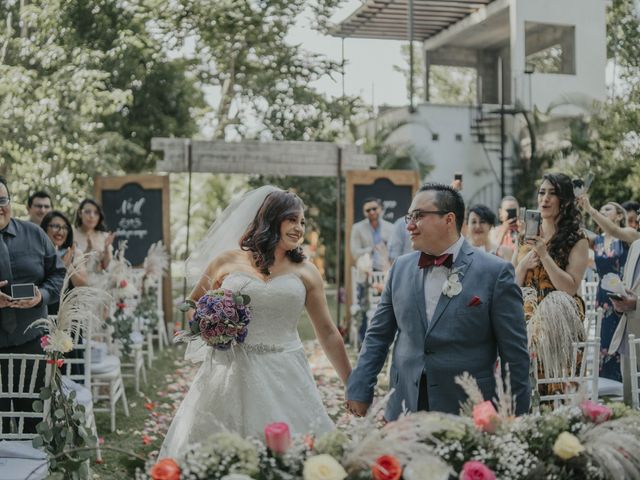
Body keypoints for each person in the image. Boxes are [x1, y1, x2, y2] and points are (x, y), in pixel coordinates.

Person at [160, 187, 352, 458]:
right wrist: (213, 326)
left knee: (292, 456)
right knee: (220, 454)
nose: (299, 228)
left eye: (302, 222)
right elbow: (193, 306)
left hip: (286, 372)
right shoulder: (226, 261)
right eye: (292, 220)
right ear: (272, 219)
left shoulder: (307, 272)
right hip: (230, 372)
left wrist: (351, 383)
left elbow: (328, 332)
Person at [346, 183, 530, 420]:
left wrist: (519, 416)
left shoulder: (495, 272)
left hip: (469, 411)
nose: (409, 225)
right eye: (409, 217)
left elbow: (515, 355)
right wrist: (360, 387)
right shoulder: (400, 269)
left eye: (419, 216)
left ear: (448, 219)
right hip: (404, 406)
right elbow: (377, 336)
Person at [0, 177, 65, 432]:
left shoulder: (35, 234)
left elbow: (58, 274)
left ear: (10, 201)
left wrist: (43, 296)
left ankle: (34, 468)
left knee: (34, 414)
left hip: (31, 341)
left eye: (2, 200)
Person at [514, 173, 589, 395]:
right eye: (542, 192)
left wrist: (545, 256)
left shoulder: (577, 239)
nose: (544, 199)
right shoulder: (526, 235)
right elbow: (511, 282)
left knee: (555, 393)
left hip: (559, 324)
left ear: (564, 201)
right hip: (525, 319)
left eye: (552, 194)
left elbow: (570, 287)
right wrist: (523, 265)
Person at [577, 199, 637, 381]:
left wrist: (590, 208)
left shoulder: (628, 234)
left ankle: (627, 382)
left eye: (608, 209)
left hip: (625, 292)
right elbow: (576, 234)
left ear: (619, 215)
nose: (602, 211)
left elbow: (613, 231)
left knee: (625, 338)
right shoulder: (597, 241)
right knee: (605, 338)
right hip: (603, 296)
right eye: (601, 208)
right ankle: (605, 383)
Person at [350, 198, 393, 342]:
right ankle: (363, 341)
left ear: (380, 209)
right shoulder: (357, 228)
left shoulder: (390, 227)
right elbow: (354, 252)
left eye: (374, 208)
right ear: (364, 212)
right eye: (368, 210)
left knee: (389, 306)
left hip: (385, 274)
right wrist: (372, 249)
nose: (372, 212)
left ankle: (386, 339)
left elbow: (394, 251)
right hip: (365, 274)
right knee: (363, 307)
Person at [608, 238, 640, 405]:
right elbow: (628, 285)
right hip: (630, 334)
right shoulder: (635, 246)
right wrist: (620, 302)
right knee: (630, 401)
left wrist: (637, 303)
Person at [40, 211, 88, 314]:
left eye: (65, 227)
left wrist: (68, 266)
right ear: (44, 229)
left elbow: (83, 285)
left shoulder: (75, 253)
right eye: (56, 226)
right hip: (44, 310)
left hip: (69, 313)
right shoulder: (37, 253)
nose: (61, 231)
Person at [73, 199, 114, 275]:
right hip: (77, 281)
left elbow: (106, 266)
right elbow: (71, 265)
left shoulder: (104, 236)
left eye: (96, 213)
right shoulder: (71, 234)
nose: (92, 216)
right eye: (87, 212)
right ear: (80, 213)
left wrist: (106, 249)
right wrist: (88, 249)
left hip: (99, 281)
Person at [493, 196, 520, 260]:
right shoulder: (494, 231)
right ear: (500, 212)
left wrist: (522, 232)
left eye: (514, 210)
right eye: (508, 210)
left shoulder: (524, 230)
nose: (511, 213)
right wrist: (503, 232)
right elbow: (492, 252)